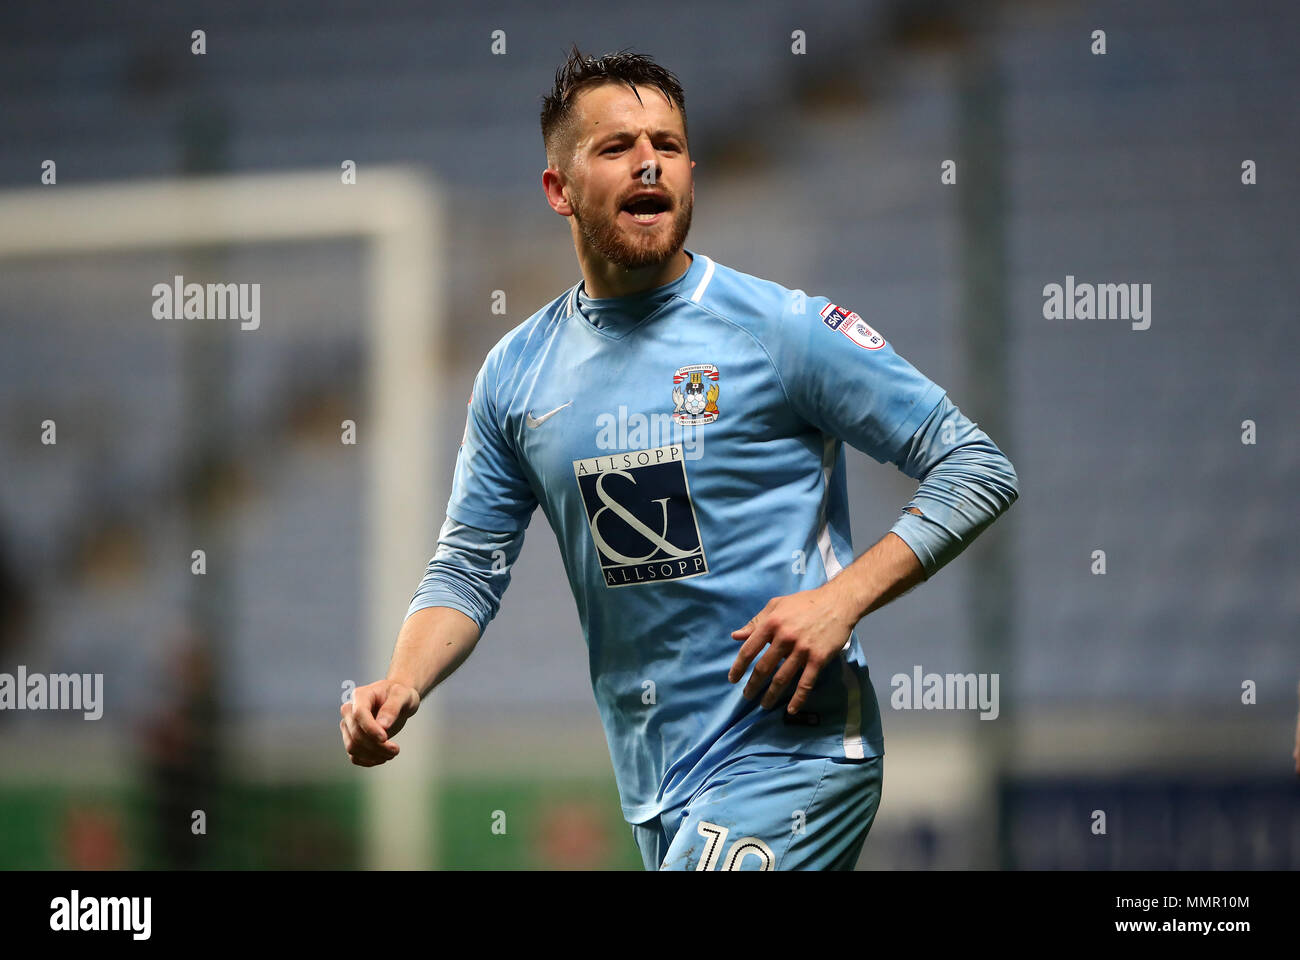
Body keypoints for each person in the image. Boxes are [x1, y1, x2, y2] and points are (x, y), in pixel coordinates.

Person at [340, 46, 1020, 870]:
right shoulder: (516, 377)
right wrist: (403, 682)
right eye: (617, 146)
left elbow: (975, 466)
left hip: (794, 756)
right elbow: (467, 567)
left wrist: (839, 601)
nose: (649, 164)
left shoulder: (781, 331)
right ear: (559, 188)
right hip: (659, 786)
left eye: (666, 144)